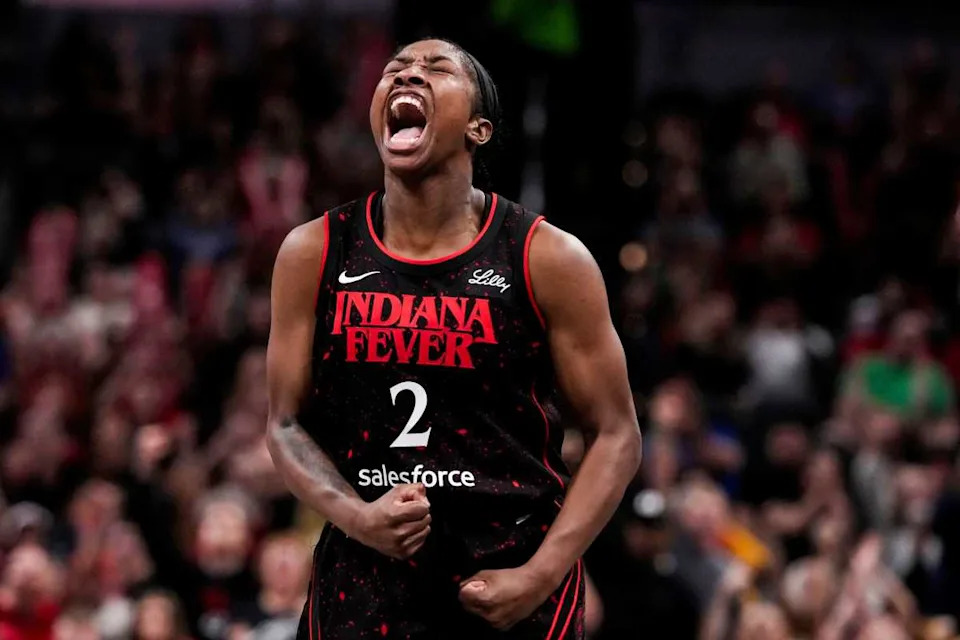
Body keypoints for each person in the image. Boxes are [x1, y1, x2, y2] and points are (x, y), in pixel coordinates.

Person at [266, 38, 642, 639]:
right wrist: (358, 518)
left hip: (510, 572)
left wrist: (540, 575)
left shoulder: (547, 256)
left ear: (479, 129)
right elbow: (284, 423)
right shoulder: (313, 251)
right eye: (395, 69)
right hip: (365, 577)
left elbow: (617, 433)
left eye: (435, 69)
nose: (408, 74)